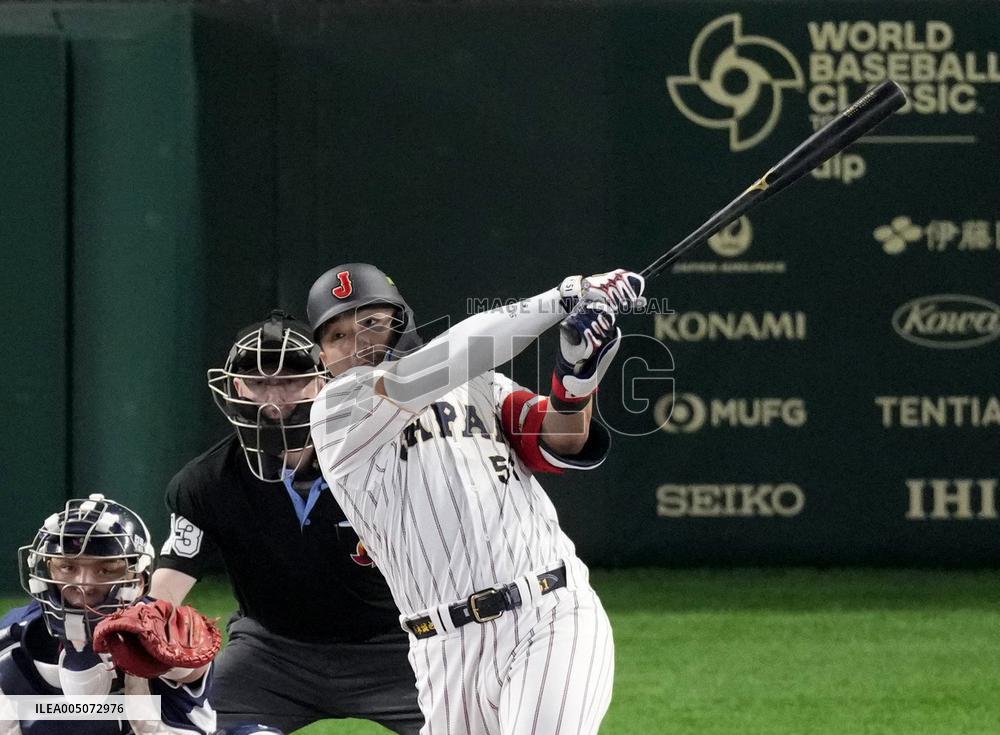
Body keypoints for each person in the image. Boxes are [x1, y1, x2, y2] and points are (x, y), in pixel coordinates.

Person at [307, 263, 645, 734]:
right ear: (323, 358)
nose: (358, 343)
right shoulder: (336, 412)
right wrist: (567, 295)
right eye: (338, 335)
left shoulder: (481, 385)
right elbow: (453, 355)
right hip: (441, 652)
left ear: (400, 321)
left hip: (547, 613)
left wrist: (576, 380)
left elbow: (559, 441)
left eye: (371, 322)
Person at [149, 311, 423, 735]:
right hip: (272, 652)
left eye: (290, 380)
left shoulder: (385, 457)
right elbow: (168, 585)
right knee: (184, 720)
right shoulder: (206, 482)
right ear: (236, 386)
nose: (273, 399)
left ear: (321, 378)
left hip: (400, 646)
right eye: (259, 382)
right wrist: (147, 627)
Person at [0, 494, 216, 735]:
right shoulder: (12, 642)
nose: (84, 584)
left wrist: (171, 661)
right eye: (67, 567)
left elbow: (193, 664)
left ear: (138, 576)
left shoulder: (164, 632)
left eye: (106, 570)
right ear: (46, 567)